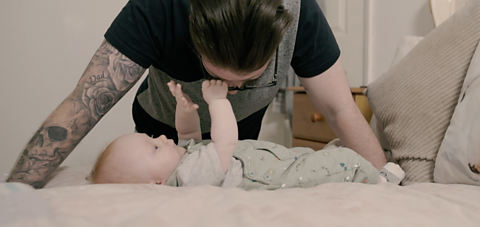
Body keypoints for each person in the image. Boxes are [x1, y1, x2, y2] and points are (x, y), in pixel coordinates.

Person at [7, 0, 386, 188]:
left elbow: (340, 110)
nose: (233, 91)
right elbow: (84, 104)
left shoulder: (299, 11)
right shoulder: (162, 2)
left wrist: (386, 180)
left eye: (246, 83)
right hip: (163, 123)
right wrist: (15, 194)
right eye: (221, 78)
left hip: (236, 139)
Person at [91, 80, 403, 188]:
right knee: (343, 163)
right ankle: (379, 181)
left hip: (277, 160)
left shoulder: (184, 162)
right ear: (157, 184)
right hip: (279, 178)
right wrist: (217, 102)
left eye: (152, 138)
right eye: (154, 148)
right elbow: (224, 141)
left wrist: (185, 111)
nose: (160, 138)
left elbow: (189, 135)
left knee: (320, 154)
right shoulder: (189, 178)